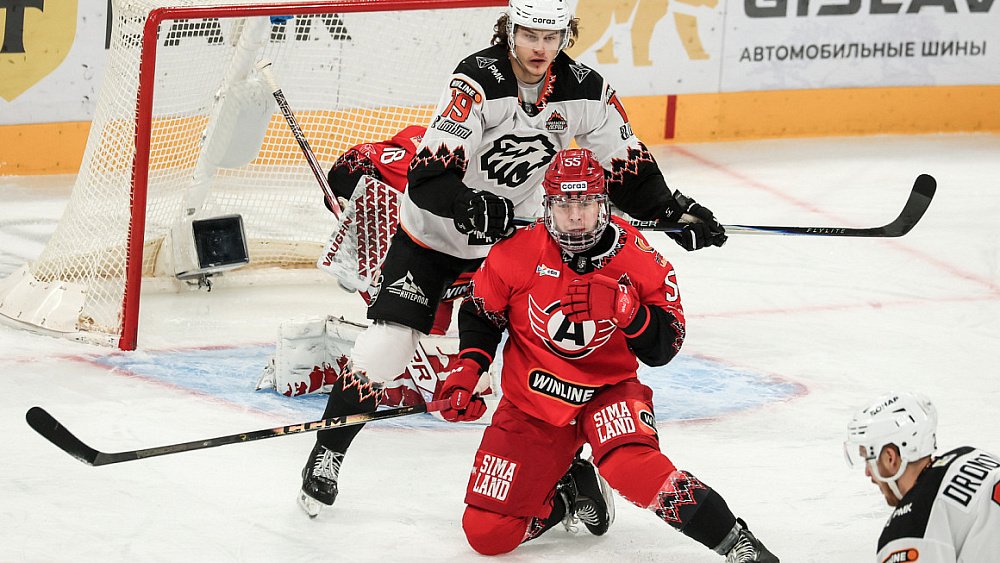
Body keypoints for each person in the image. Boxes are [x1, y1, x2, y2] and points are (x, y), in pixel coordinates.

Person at [297, 0, 728, 517]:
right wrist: (469, 205)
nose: (541, 49)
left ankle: (570, 477)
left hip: (512, 242)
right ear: (510, 30)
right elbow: (429, 177)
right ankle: (326, 455)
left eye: (553, 36)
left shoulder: (586, 90)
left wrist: (675, 211)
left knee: (542, 358)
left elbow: (628, 170)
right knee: (388, 344)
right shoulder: (475, 80)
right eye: (530, 36)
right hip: (431, 236)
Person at [434, 148, 778, 561]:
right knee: (487, 534)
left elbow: (666, 346)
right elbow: (481, 312)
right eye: (564, 205)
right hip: (533, 401)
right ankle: (571, 492)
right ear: (547, 207)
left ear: (604, 206)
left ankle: (737, 544)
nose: (575, 217)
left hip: (607, 393)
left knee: (632, 467)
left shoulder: (643, 261)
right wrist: (470, 367)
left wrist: (631, 315)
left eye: (585, 204)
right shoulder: (517, 252)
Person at [844, 391, 1000, 562]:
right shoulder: (973, 456)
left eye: (868, 459)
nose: (867, 472)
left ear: (891, 458)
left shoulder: (910, 527)